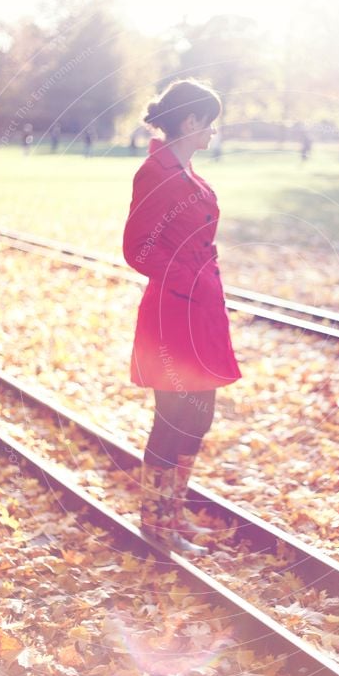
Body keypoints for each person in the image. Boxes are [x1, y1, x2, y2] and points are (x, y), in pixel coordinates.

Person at [122, 78, 242, 556]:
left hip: (202, 312)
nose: (212, 132)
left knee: (199, 416)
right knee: (172, 419)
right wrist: (184, 280)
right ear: (190, 122)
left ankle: (174, 513)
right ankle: (157, 523)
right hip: (174, 313)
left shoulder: (188, 172)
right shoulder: (155, 172)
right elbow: (136, 249)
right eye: (208, 123)